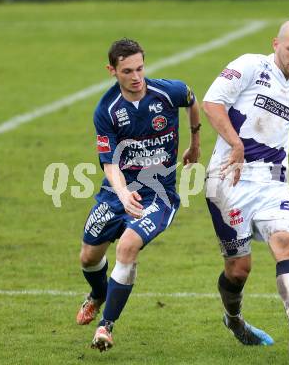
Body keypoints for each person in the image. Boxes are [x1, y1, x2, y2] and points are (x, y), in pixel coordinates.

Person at [203, 19, 289, 346]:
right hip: (228, 180)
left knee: (287, 243)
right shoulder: (250, 66)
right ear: (276, 43)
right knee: (239, 269)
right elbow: (212, 104)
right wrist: (236, 144)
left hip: (273, 184)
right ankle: (235, 320)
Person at [76, 38, 201, 352]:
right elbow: (109, 162)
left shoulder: (167, 93)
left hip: (159, 193)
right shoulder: (106, 110)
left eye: (140, 68)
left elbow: (192, 98)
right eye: (127, 71)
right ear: (112, 71)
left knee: (128, 246)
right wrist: (121, 193)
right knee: (89, 257)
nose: (136, 77)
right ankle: (98, 293)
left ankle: (106, 326)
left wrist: (195, 142)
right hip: (117, 190)